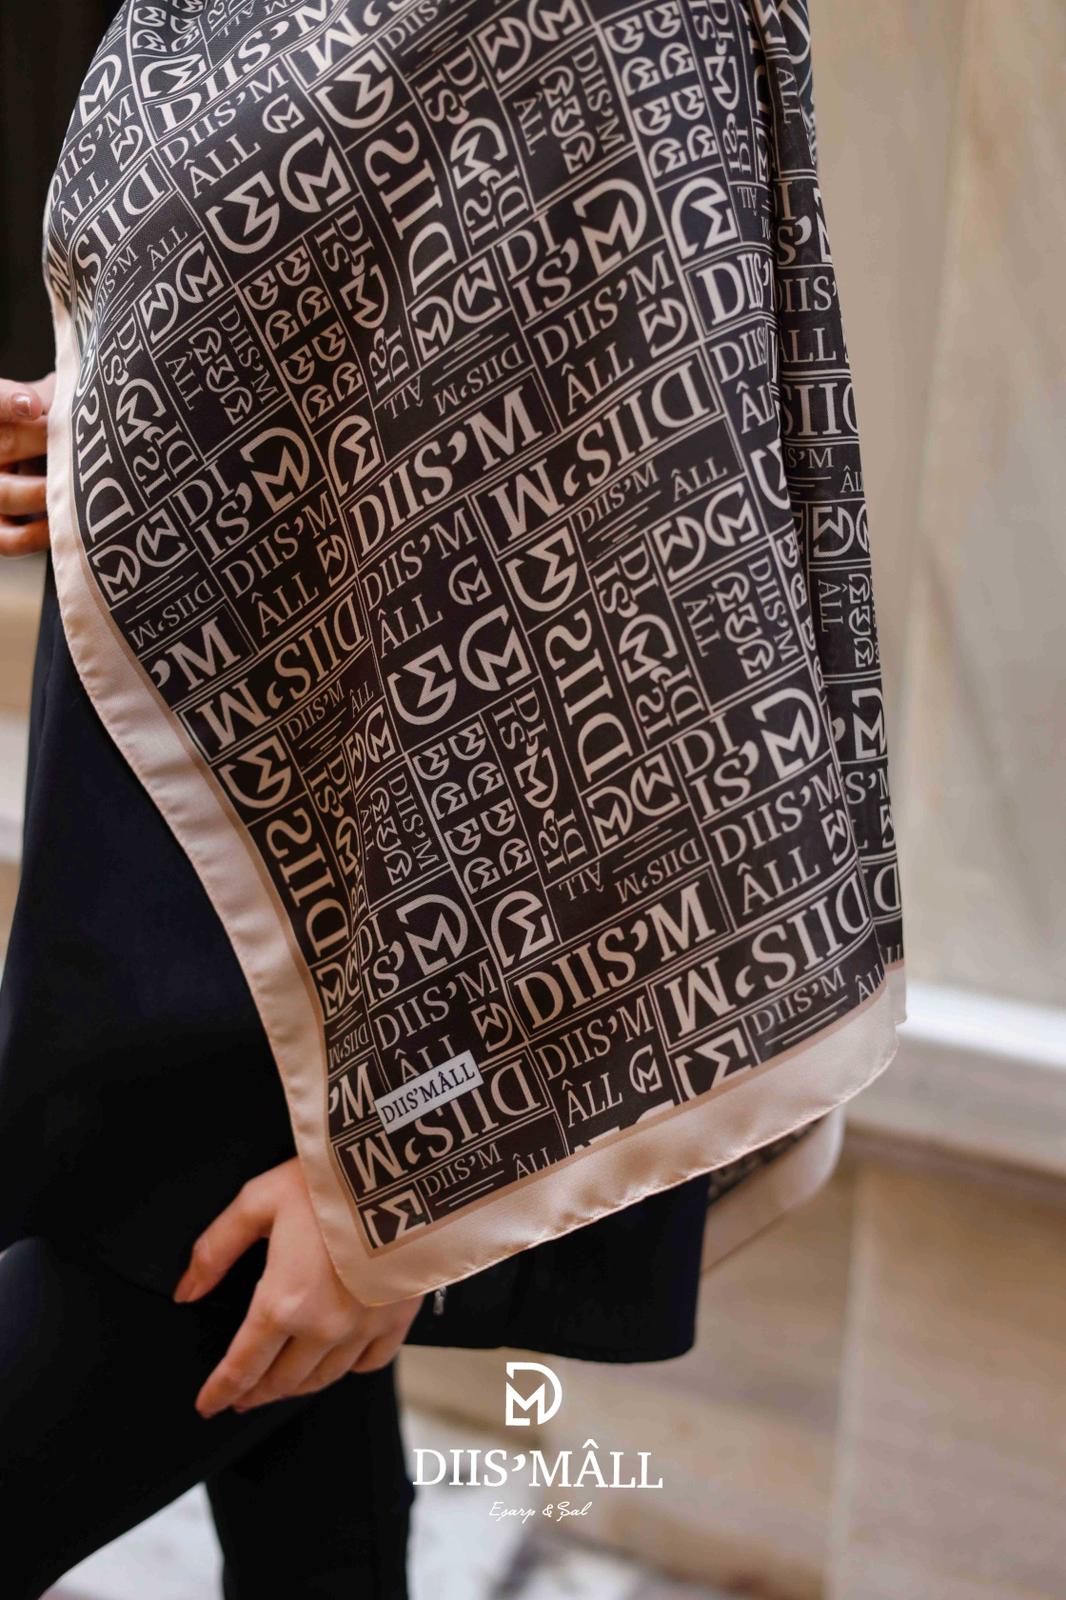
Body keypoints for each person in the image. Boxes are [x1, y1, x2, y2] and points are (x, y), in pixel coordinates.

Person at [0, 0, 902, 1592]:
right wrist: (129, 442)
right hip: (200, 853)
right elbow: (368, 285)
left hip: (407, 947)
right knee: (310, 1511)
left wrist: (403, 1169)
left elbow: (630, 534)